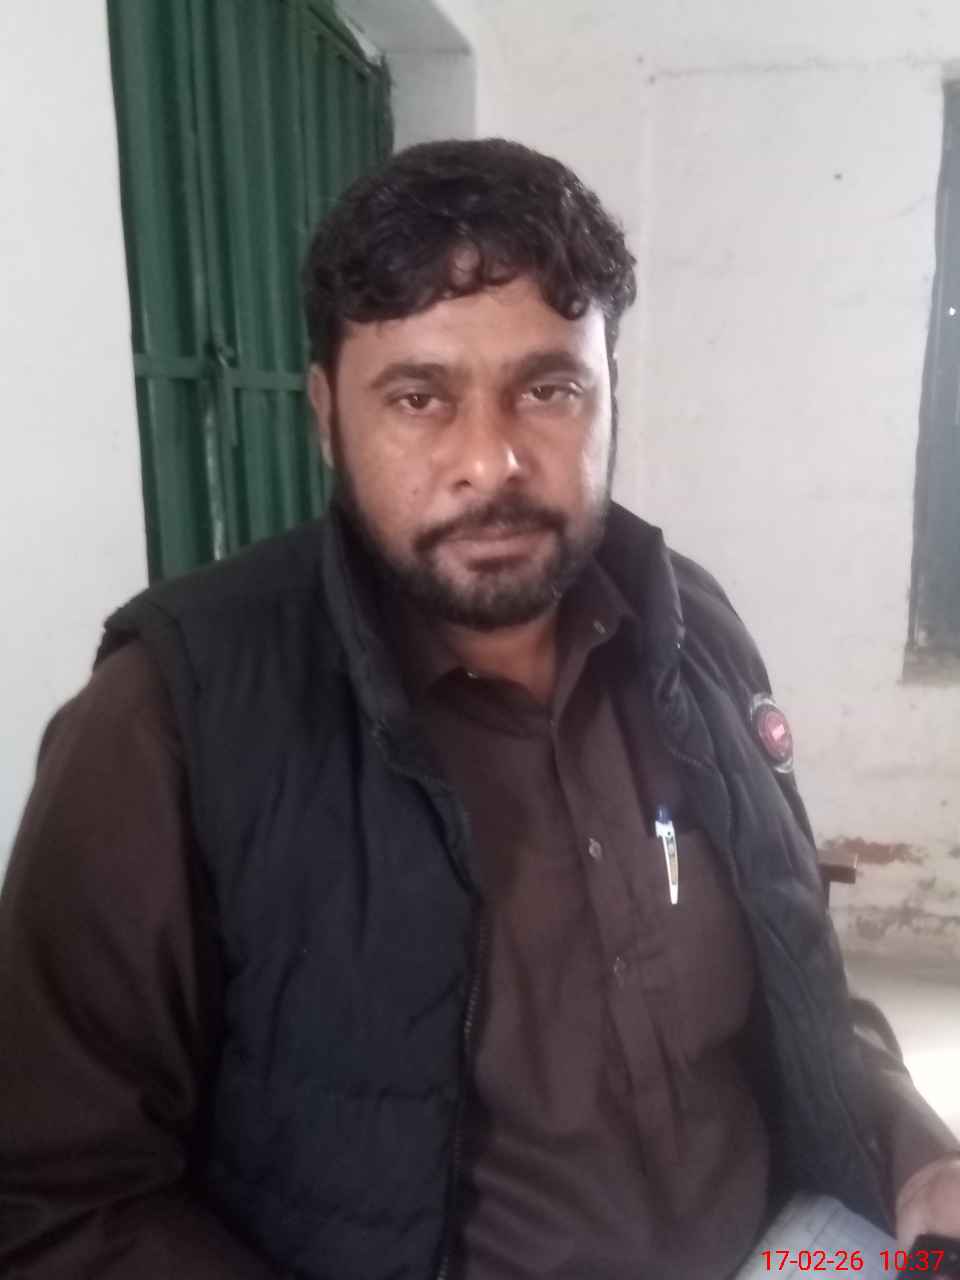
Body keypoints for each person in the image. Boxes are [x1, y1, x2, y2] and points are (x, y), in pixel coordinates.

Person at [0, 138, 957, 1280]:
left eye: (548, 389)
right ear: (326, 415)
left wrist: (917, 1150)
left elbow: (803, 992)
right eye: (419, 397)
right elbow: (52, 1195)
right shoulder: (170, 719)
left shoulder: (693, 628)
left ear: (609, 390)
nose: (491, 461)